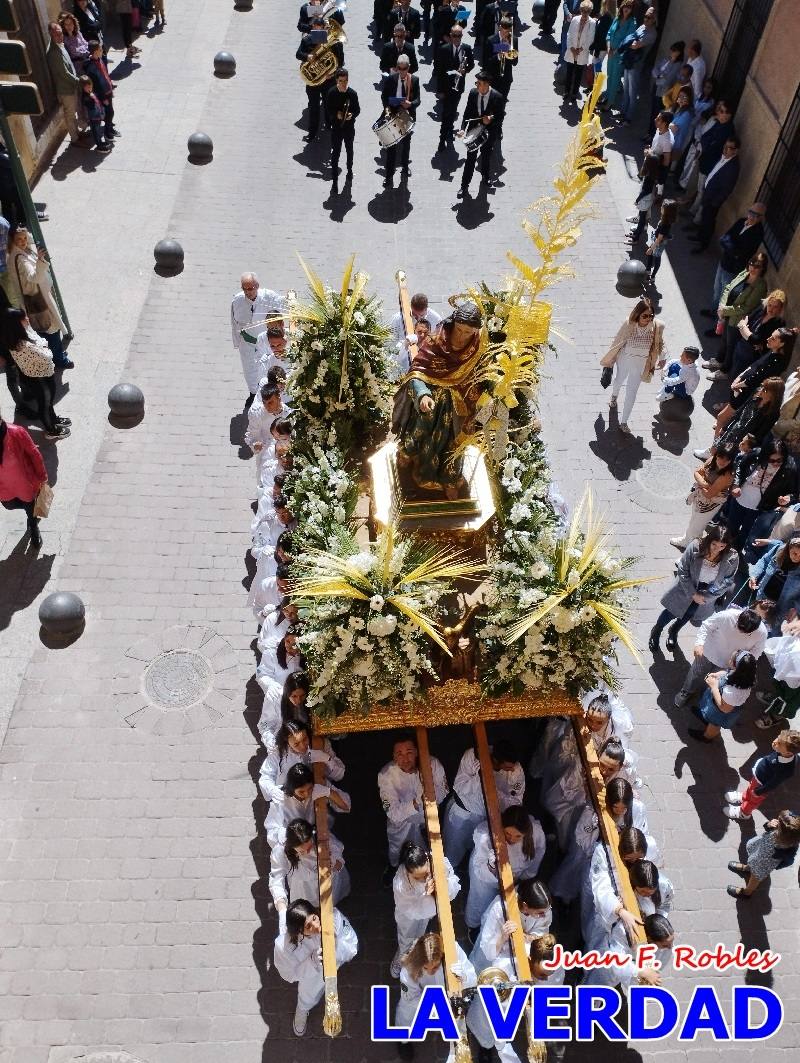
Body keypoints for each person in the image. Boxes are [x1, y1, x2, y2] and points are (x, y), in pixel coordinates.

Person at [392, 301, 483, 497]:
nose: (462, 336)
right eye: (459, 330)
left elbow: (481, 377)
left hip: (461, 404)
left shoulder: (478, 348)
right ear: (452, 324)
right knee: (424, 424)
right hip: (430, 402)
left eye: (468, 332)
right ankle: (410, 455)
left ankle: (450, 478)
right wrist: (423, 393)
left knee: (454, 441)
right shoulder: (435, 341)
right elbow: (417, 371)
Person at [273, 898, 358, 1037]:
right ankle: (302, 1008)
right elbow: (288, 974)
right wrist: (312, 963)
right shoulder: (284, 947)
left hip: (335, 962)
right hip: (309, 976)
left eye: (314, 918)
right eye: (308, 926)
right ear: (299, 931)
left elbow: (352, 946)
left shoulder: (334, 917)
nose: (316, 926)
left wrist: (336, 943)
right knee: (308, 994)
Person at [650, 525, 739, 653]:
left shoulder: (732, 556)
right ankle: (657, 630)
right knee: (671, 611)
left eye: (722, 546)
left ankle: (674, 630)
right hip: (687, 585)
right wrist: (693, 594)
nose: (717, 550)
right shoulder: (696, 546)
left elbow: (727, 581)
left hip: (708, 591)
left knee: (690, 613)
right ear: (709, 540)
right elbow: (683, 570)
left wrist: (708, 596)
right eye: (714, 544)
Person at [442, 739, 525, 868]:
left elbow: (516, 800)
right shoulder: (472, 756)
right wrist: (480, 779)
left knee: (480, 851)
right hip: (464, 813)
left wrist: (494, 792)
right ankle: (449, 872)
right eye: (508, 767)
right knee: (453, 848)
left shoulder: (516, 771)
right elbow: (459, 786)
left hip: (488, 819)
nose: (512, 769)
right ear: (496, 761)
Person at [377, 731, 448, 880]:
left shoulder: (433, 764)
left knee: (424, 849)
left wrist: (430, 798)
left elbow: (443, 791)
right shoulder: (386, 775)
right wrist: (416, 803)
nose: (405, 759)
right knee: (396, 848)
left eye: (409, 752)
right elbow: (392, 812)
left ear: (416, 752)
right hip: (402, 821)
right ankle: (393, 867)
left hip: (426, 816)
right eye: (399, 754)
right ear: (393, 756)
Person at [396, 933, 476, 1061]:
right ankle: (403, 1040)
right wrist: (435, 1007)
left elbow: (472, 980)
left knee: (458, 1027)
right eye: (426, 967)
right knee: (406, 1016)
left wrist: (464, 977)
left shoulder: (453, 950)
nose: (429, 971)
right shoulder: (409, 966)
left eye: (435, 966)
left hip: (449, 997)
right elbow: (410, 998)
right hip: (422, 999)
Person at [464, 805, 545, 930]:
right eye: (507, 834)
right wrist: (491, 867)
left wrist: (525, 876)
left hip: (514, 879)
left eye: (518, 836)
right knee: (480, 901)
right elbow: (479, 870)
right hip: (486, 879)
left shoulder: (536, 833)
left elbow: (539, 853)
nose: (512, 839)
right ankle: (472, 925)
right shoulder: (485, 837)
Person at [673, 603, 770, 708]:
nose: (740, 632)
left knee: (717, 683)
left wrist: (741, 665)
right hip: (709, 652)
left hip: (729, 663)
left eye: (745, 633)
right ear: (738, 618)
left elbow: (756, 652)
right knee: (696, 672)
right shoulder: (727, 615)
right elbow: (706, 625)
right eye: (738, 627)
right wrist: (699, 643)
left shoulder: (762, 633)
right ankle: (686, 691)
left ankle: (706, 698)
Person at [390, 840, 460, 977]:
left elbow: (453, 883)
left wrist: (442, 883)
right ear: (408, 872)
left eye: (425, 873)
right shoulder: (401, 882)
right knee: (406, 938)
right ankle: (400, 959)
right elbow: (410, 909)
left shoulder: (437, 862)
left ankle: (416, 952)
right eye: (418, 877)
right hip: (408, 917)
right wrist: (425, 894)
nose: (423, 878)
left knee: (421, 932)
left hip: (428, 911)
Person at [7, 227, 73, 371]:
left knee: (44, 330)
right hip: (39, 300)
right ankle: (59, 359)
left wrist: (23, 232)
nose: (24, 241)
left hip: (34, 300)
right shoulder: (21, 260)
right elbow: (34, 277)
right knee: (51, 329)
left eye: (24, 238)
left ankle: (54, 355)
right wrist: (40, 262)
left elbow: (29, 238)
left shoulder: (16, 252)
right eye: (19, 239)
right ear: (12, 240)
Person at [600, 297, 667, 435]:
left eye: (651, 315)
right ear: (638, 314)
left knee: (632, 392)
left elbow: (661, 343)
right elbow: (617, 340)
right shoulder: (629, 324)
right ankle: (614, 396)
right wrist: (610, 359)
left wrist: (662, 358)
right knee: (618, 381)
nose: (648, 318)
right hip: (624, 360)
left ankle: (624, 422)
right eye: (645, 315)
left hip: (641, 364)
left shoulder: (656, 326)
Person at [0, 309, 69, 440]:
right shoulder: (23, 345)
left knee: (48, 402)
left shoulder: (21, 333)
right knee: (45, 404)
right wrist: (44, 346)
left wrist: (42, 344)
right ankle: (51, 430)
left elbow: (39, 339)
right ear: (16, 324)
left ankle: (53, 420)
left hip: (40, 374)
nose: (27, 319)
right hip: (38, 378)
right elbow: (48, 355)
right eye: (23, 318)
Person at [718, 438, 797, 547]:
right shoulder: (756, 455)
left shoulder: (789, 468)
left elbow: (793, 492)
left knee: (746, 533)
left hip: (760, 508)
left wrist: (787, 498)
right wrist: (735, 484)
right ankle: (723, 549)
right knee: (731, 527)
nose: (775, 463)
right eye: (772, 460)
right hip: (740, 500)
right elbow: (740, 466)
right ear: (765, 456)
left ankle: (735, 553)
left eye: (779, 460)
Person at [701, 204, 766, 324]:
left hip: (733, 269)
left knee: (724, 297)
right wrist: (731, 246)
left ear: (761, 218)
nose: (752, 216)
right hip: (724, 262)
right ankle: (713, 311)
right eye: (751, 212)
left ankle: (718, 323)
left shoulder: (758, 233)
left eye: (756, 215)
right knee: (717, 290)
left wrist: (729, 244)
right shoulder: (741, 221)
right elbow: (724, 237)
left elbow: (740, 253)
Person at [704, 253, 769, 373]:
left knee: (731, 345)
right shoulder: (744, 273)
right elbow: (728, 287)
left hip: (738, 318)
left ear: (763, 268)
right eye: (751, 263)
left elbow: (746, 307)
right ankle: (719, 360)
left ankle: (724, 370)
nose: (753, 268)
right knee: (724, 339)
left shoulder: (760, 285)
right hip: (727, 312)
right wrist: (721, 305)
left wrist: (725, 310)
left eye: (757, 266)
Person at [259, 714, 345, 803]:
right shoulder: (278, 753)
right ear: (287, 743)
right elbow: (265, 777)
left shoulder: (321, 744)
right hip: (287, 804)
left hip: (315, 803)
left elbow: (339, 776)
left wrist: (327, 759)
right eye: (296, 744)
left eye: (305, 739)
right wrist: (274, 791)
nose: (303, 746)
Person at [264, 762, 351, 849]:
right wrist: (295, 838)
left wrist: (328, 792)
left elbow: (346, 806)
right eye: (301, 792)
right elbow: (272, 831)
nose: (306, 794)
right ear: (291, 788)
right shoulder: (280, 797)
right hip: (293, 844)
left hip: (319, 838)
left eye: (310, 789)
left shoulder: (319, 786)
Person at [670, 441, 736, 549]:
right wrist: (704, 484)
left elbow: (709, 494)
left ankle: (689, 545)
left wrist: (701, 485)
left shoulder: (727, 476)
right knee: (694, 522)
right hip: (700, 498)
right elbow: (697, 472)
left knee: (696, 526)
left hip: (709, 504)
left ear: (731, 460)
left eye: (727, 459)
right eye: (720, 457)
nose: (722, 462)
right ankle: (692, 540)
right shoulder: (712, 460)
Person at [230, 274, 284, 405]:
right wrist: (237, 341)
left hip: (267, 342)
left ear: (257, 286)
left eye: (251, 288)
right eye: (245, 289)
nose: (248, 292)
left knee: (268, 369)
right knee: (249, 370)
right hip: (248, 343)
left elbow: (280, 313)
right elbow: (235, 323)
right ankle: (253, 394)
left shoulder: (270, 297)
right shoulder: (237, 301)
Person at [725, 730, 800, 820]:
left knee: (753, 801)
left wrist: (758, 792)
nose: (775, 742)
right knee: (750, 789)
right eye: (778, 738)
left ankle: (744, 813)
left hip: (761, 785)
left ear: (788, 753)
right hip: (758, 777)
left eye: (779, 743)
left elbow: (773, 784)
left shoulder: (785, 769)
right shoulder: (783, 753)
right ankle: (744, 797)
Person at [687, 649, 758, 743]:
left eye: (731, 659)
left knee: (715, 724)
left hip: (721, 712)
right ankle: (705, 717)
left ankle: (707, 737)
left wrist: (714, 687)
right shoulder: (744, 675)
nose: (729, 659)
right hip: (716, 704)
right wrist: (718, 675)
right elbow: (728, 673)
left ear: (736, 667)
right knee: (710, 714)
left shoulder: (734, 691)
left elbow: (725, 709)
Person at [0, 413, 49, 548]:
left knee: (29, 506)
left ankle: (33, 526)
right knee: (9, 505)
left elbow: (34, 454)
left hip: (24, 482)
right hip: (3, 487)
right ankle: (32, 512)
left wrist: (42, 476)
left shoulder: (16, 432)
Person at [726, 810, 800, 899]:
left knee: (755, 877)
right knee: (752, 861)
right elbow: (767, 828)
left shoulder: (790, 846)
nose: (776, 822)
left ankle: (747, 892)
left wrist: (776, 865)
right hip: (759, 851)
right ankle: (747, 868)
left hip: (764, 864)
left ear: (784, 833)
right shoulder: (780, 829)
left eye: (778, 822)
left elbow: (789, 861)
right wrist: (768, 824)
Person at [457, 72, 505, 196]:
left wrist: (491, 120)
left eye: (479, 83)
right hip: (474, 131)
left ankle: (485, 177)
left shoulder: (498, 96)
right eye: (477, 83)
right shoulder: (473, 93)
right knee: (470, 160)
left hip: (489, 132)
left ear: (487, 84)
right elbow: (467, 113)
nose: (477, 85)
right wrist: (463, 128)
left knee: (486, 156)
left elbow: (500, 117)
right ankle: (464, 185)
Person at [691, 137, 741, 253]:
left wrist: (715, 203)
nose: (725, 149)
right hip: (708, 194)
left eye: (729, 148)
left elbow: (727, 189)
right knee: (704, 218)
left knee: (709, 221)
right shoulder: (723, 157)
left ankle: (703, 245)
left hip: (713, 200)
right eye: (725, 146)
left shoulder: (733, 167)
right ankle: (699, 236)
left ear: (735, 151)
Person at [297, 17, 343, 141]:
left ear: (324, 29)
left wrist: (331, 75)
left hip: (328, 81)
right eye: (315, 30)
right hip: (313, 83)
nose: (317, 33)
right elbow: (298, 54)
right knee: (314, 108)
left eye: (320, 30)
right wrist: (307, 56)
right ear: (312, 29)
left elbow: (340, 63)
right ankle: (312, 133)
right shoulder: (307, 40)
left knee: (329, 106)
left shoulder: (335, 43)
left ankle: (329, 125)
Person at [379, 54, 420, 189]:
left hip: (406, 115)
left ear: (409, 67)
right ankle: (389, 176)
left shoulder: (414, 80)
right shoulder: (391, 79)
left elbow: (418, 100)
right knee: (391, 147)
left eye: (405, 68)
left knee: (406, 145)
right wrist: (387, 110)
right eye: (400, 68)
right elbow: (384, 96)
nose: (402, 71)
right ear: (397, 67)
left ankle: (405, 167)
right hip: (393, 114)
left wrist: (411, 103)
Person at [435, 23, 474, 151]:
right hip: (446, 87)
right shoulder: (443, 49)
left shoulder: (466, 48)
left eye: (459, 35)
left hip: (458, 87)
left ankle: (449, 131)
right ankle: (442, 139)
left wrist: (465, 70)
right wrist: (439, 90)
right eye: (454, 35)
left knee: (452, 111)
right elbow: (439, 71)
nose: (457, 38)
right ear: (450, 36)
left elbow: (472, 64)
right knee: (446, 112)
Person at [747, 536, 800, 631]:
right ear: (789, 548)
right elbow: (765, 560)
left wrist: (796, 610)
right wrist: (754, 575)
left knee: (769, 631)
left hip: (781, 607)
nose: (797, 558)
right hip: (762, 596)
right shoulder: (779, 550)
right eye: (795, 553)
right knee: (751, 621)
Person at [46, 22, 84, 147]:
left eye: (60, 33)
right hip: (65, 89)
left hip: (70, 86)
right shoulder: (53, 52)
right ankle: (74, 139)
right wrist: (79, 81)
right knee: (69, 114)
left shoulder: (60, 45)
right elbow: (64, 73)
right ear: (51, 35)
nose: (60, 36)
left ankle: (77, 134)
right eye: (56, 34)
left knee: (73, 113)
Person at [619, 7, 658, 126]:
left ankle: (629, 118)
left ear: (654, 20)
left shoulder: (652, 33)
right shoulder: (642, 26)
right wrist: (629, 42)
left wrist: (628, 41)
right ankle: (623, 112)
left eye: (649, 17)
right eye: (645, 16)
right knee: (626, 89)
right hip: (629, 60)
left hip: (637, 64)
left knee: (632, 91)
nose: (646, 19)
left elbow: (635, 45)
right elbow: (632, 42)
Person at [326, 68, 359, 185]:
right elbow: (328, 110)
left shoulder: (352, 93)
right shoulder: (332, 92)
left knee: (349, 150)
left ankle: (349, 170)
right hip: (336, 128)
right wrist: (336, 114)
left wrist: (352, 115)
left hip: (349, 128)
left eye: (345, 81)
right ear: (336, 81)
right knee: (336, 153)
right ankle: (334, 179)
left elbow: (357, 110)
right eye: (341, 81)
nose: (343, 83)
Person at [602, 0, 635, 110]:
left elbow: (628, 40)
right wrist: (608, 48)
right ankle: (607, 96)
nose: (627, 9)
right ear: (622, 7)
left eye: (629, 7)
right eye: (625, 6)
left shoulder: (632, 22)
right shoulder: (617, 18)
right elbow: (609, 33)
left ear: (632, 9)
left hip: (619, 55)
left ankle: (610, 102)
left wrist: (615, 51)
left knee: (615, 79)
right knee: (609, 76)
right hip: (610, 52)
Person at [84, 41, 117, 143]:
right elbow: (96, 86)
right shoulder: (91, 68)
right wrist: (103, 98)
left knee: (111, 112)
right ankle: (107, 133)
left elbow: (105, 74)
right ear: (94, 52)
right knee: (109, 113)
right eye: (100, 49)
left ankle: (110, 129)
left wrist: (110, 86)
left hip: (108, 91)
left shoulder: (100, 59)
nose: (102, 50)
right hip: (103, 95)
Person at [563, 2, 596, 105]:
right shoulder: (575, 19)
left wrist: (580, 49)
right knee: (569, 73)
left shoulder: (592, 23)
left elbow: (590, 39)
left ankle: (574, 93)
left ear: (590, 11)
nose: (584, 13)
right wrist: (571, 48)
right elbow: (568, 34)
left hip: (582, 52)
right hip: (571, 51)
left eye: (587, 11)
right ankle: (566, 91)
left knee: (578, 75)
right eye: (582, 11)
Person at [483, 17, 517, 101]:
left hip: (506, 77)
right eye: (505, 31)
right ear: (500, 28)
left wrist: (510, 52)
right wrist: (498, 56)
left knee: (502, 100)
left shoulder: (513, 40)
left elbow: (515, 62)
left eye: (509, 31)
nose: (507, 34)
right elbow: (485, 62)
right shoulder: (490, 40)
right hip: (493, 77)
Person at [644, 198, 676, 283]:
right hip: (658, 241)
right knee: (653, 256)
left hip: (658, 243)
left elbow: (659, 238)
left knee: (655, 257)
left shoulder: (664, 224)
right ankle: (648, 272)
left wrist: (651, 248)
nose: (660, 208)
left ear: (667, 211)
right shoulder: (667, 220)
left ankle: (652, 276)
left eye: (662, 207)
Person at [79, 76, 112, 153]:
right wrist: (91, 97)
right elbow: (90, 107)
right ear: (82, 88)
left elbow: (97, 101)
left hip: (98, 116)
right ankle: (99, 146)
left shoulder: (91, 92)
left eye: (90, 86)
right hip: (93, 118)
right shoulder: (86, 97)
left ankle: (100, 143)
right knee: (96, 132)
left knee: (97, 131)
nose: (89, 88)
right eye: (87, 87)